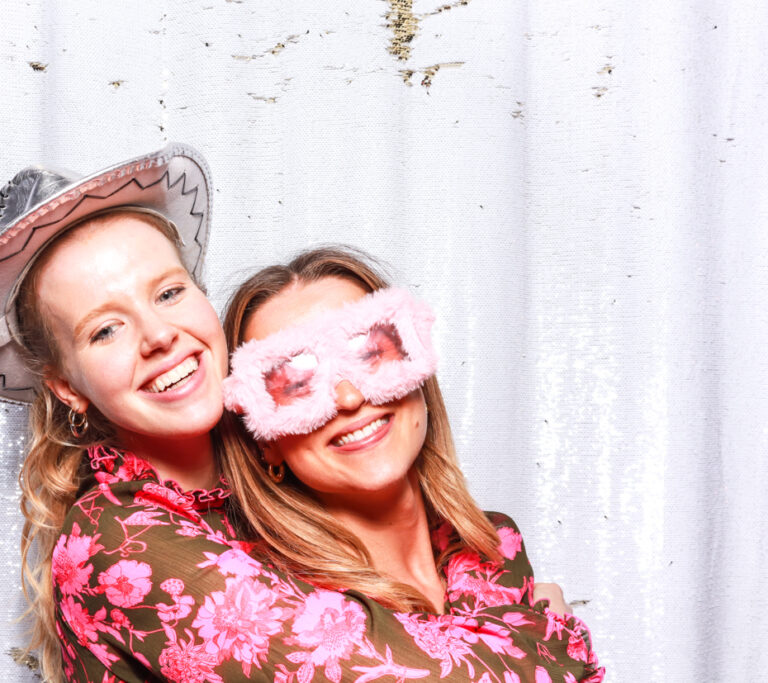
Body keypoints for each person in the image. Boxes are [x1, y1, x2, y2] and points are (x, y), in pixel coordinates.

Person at [0, 145, 600, 681]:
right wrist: (551, 630)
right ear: (66, 387)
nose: (158, 335)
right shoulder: (114, 542)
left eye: (166, 292)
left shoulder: (284, 481)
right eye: (105, 329)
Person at [219, 247, 602, 676]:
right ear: (264, 442)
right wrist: (551, 638)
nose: (349, 397)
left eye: (368, 355)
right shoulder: (276, 600)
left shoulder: (495, 544)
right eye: (296, 384)